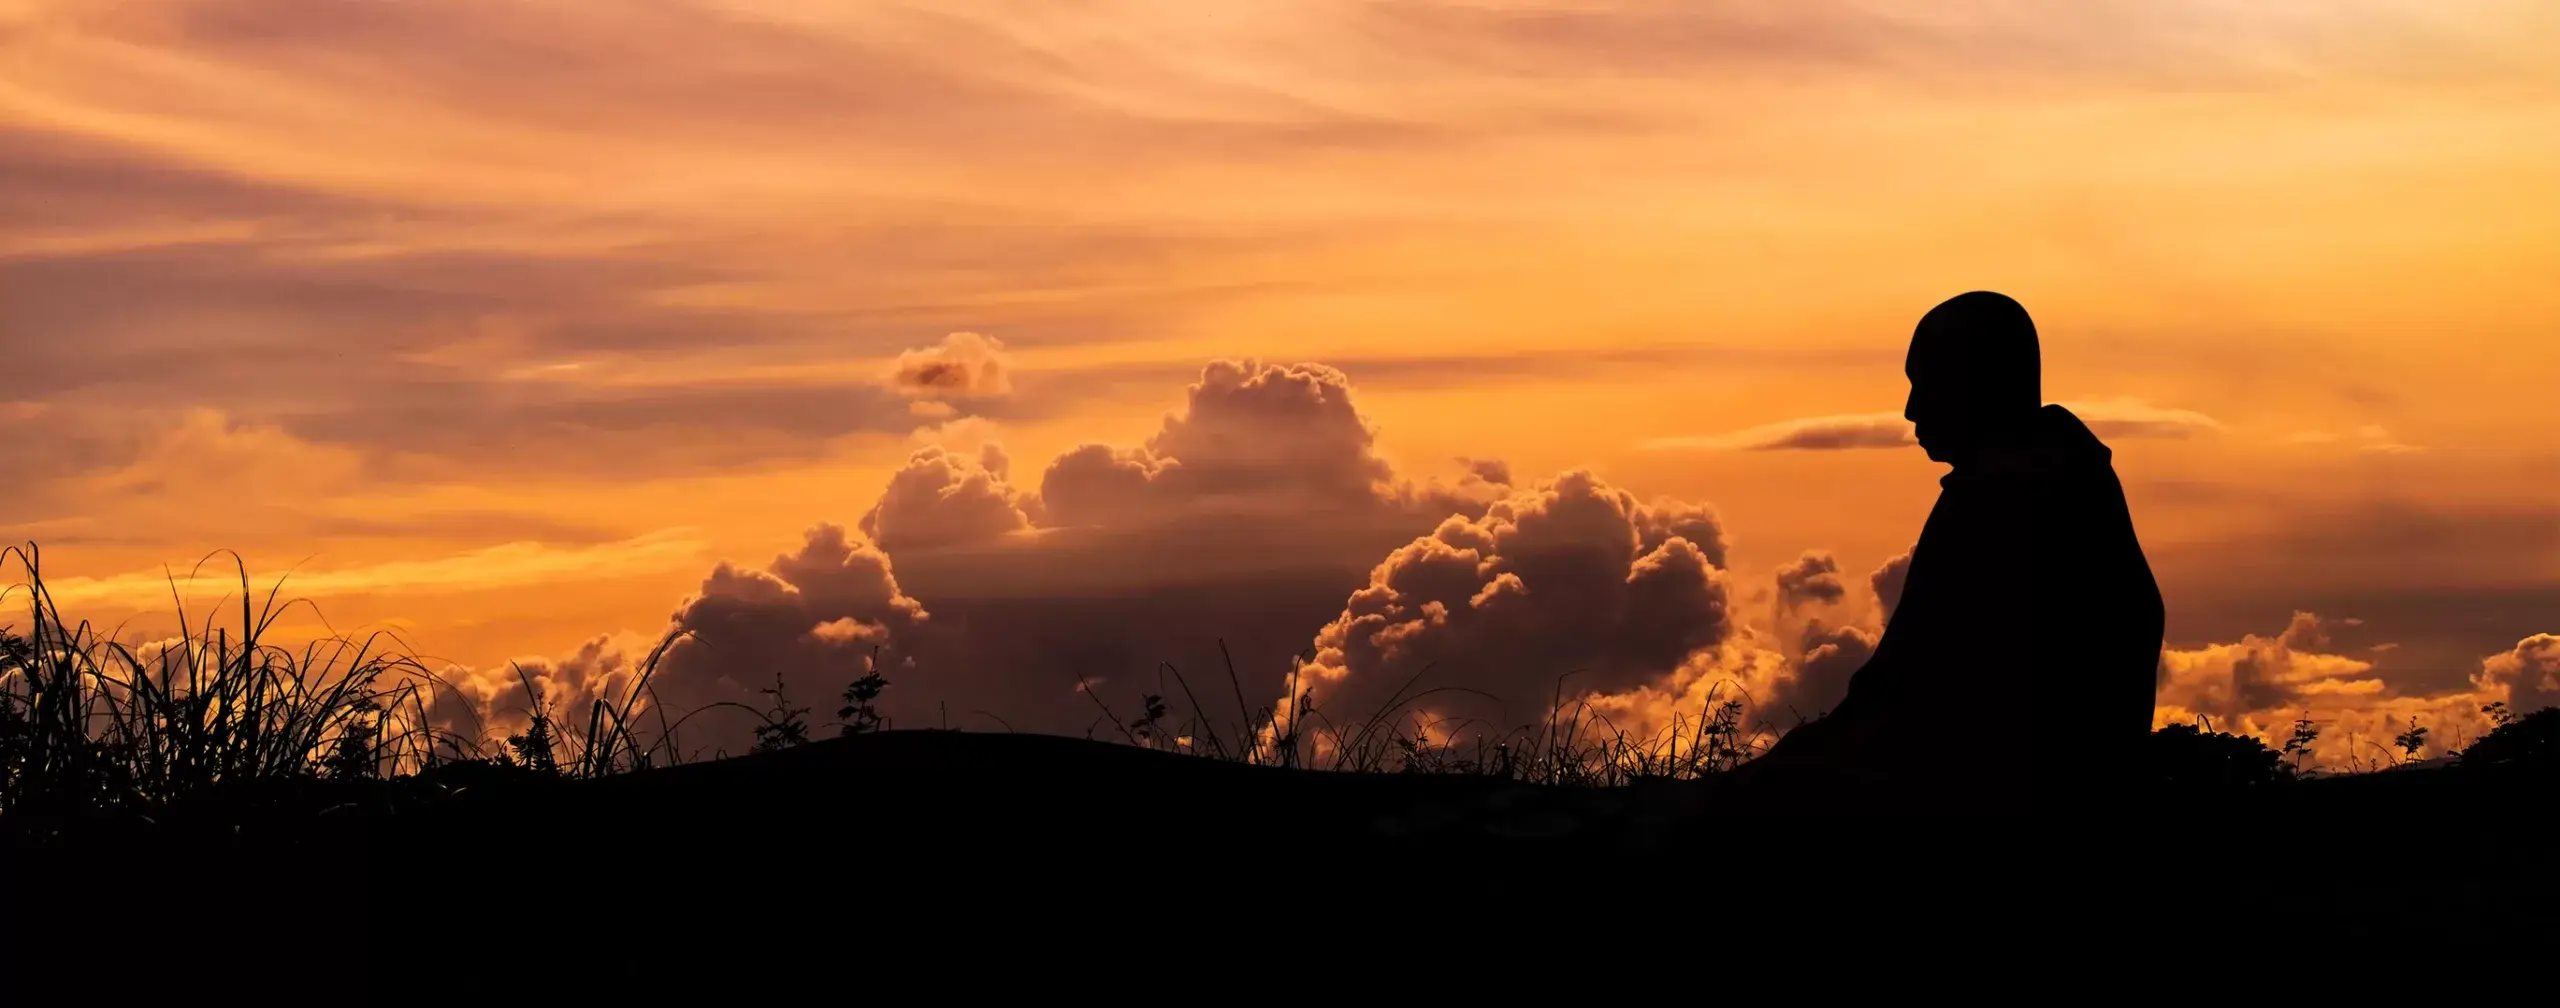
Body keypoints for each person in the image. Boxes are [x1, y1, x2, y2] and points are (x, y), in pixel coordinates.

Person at [1728, 291, 2164, 813]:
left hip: (1996, 804)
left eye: (1927, 384)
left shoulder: (2007, 502)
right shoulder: (2071, 483)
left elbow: (1907, 696)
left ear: (1980, 384)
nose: (1911, 409)